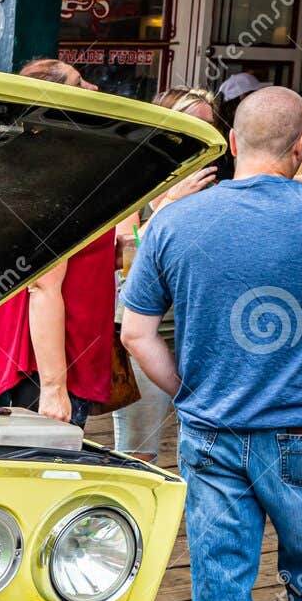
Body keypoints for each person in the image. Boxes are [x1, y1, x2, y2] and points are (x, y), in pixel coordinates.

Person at [121, 86, 302, 601]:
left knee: (221, 577)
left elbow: (136, 332)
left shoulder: (176, 223)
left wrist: (189, 391)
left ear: (232, 143)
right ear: (300, 149)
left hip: (211, 433)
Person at [0, 59, 113, 425]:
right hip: (36, 368)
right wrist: (54, 388)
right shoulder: (59, 174)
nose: (94, 88)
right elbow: (43, 285)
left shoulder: (16, 163)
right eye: (80, 83)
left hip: (13, 358)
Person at [111, 87, 220, 461]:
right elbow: (127, 250)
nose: (205, 132)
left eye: (210, 124)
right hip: (145, 329)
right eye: (194, 123)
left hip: (199, 331)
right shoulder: (135, 176)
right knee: (138, 449)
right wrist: (170, 202)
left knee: (203, 443)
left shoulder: (210, 180)